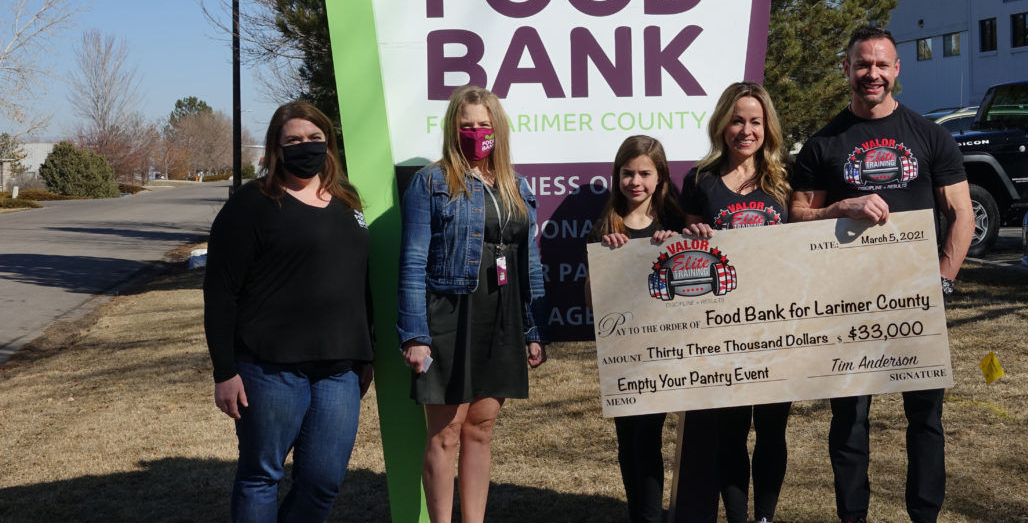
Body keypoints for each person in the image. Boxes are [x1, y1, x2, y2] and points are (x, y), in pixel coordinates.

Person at [790, 25, 974, 523]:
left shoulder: (930, 135)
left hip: (917, 296)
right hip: (846, 301)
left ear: (897, 70)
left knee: (926, 418)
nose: (872, 73)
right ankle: (853, 517)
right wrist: (840, 208)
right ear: (846, 69)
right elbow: (796, 219)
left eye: (881, 64)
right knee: (849, 419)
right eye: (862, 64)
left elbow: (962, 213)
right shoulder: (821, 145)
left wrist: (943, 280)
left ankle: (925, 515)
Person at [203, 101, 374, 522]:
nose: (306, 147)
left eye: (314, 138)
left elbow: (360, 282)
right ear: (277, 149)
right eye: (293, 140)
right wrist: (224, 371)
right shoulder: (252, 204)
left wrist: (366, 352)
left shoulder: (347, 203)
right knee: (261, 475)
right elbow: (220, 291)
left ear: (328, 144)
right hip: (270, 367)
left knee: (323, 482)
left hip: (339, 370)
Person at [397, 85, 548, 523]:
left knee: (480, 430)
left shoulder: (516, 185)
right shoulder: (432, 182)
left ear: (497, 129)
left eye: (484, 124)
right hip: (448, 315)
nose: (476, 132)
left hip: (501, 316)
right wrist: (415, 334)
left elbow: (529, 261)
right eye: (467, 126)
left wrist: (532, 329)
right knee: (445, 434)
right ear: (453, 129)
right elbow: (411, 262)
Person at [674, 82, 792, 523]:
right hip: (721, 327)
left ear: (768, 128)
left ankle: (765, 517)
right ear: (723, 124)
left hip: (779, 323)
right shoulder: (699, 180)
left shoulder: (784, 178)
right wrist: (691, 237)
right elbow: (685, 252)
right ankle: (739, 517)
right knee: (732, 431)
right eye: (738, 120)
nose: (746, 130)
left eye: (756, 122)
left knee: (772, 430)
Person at [584, 135, 686, 523]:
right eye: (628, 173)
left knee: (654, 439)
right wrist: (606, 261)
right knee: (632, 444)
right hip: (625, 359)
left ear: (660, 178)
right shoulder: (603, 230)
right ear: (617, 176)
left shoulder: (674, 224)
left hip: (668, 353)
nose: (636, 182)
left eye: (645, 173)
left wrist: (675, 246)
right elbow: (592, 302)